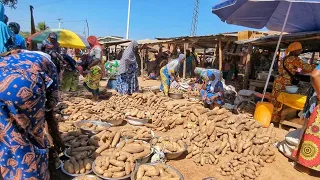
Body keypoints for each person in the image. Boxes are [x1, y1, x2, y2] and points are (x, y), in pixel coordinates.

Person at [0, 49, 65, 179]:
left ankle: (8, 172)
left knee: (5, 136)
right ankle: (32, 174)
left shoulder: (9, 56)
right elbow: (52, 101)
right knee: (31, 138)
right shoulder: (48, 63)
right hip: (23, 86)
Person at [271, 42, 316, 122]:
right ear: (295, 50)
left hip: (278, 81)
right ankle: (281, 120)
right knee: (284, 101)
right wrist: (318, 67)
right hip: (285, 82)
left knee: (276, 100)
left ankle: (273, 119)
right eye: (299, 50)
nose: (300, 51)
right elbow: (308, 67)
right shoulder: (294, 59)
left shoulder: (284, 58)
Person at [83, 36, 104, 101]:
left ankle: (95, 98)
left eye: (89, 41)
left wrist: (89, 66)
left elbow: (97, 59)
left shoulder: (97, 48)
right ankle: (95, 96)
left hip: (96, 68)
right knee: (91, 83)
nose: (88, 43)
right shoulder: (94, 48)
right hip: (93, 68)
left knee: (93, 83)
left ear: (92, 41)